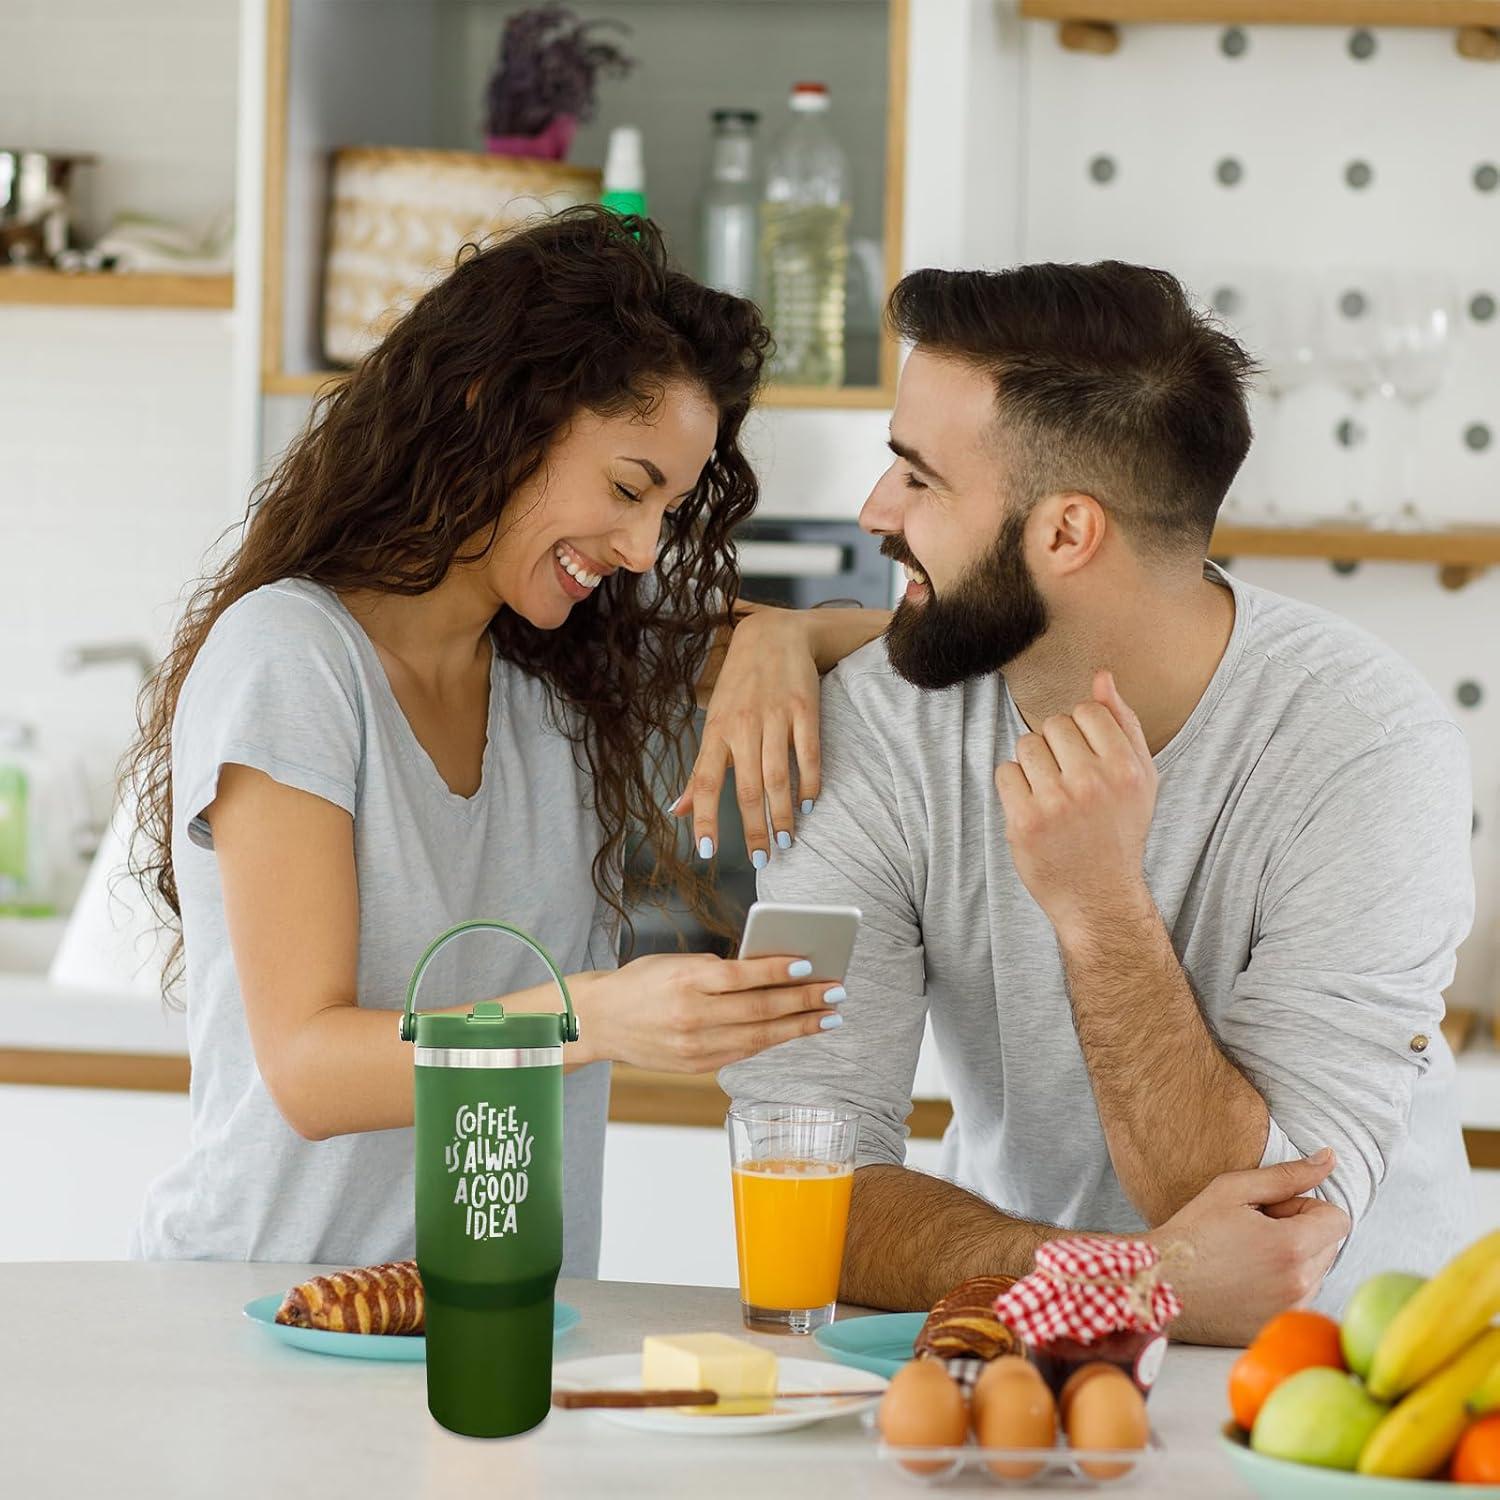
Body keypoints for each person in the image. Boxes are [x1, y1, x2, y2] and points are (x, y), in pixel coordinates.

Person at [721, 260, 1475, 1344]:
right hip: (1012, 1354)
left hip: (1349, 1388)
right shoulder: (875, 728)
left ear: (1067, 534)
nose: (875, 511)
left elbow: (1265, 1231)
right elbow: (799, 1195)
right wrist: (1129, 1277)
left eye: (919, 478)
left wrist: (1097, 904)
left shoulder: (1367, 747)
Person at [126, 209, 887, 1271]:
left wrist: (790, 636)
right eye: (627, 489)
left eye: (665, 511)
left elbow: (917, 640)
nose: (638, 550)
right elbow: (309, 1068)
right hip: (270, 1315)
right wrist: (600, 1019)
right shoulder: (292, 659)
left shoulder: (566, 679)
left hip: (510, 1324)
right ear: (497, 413)